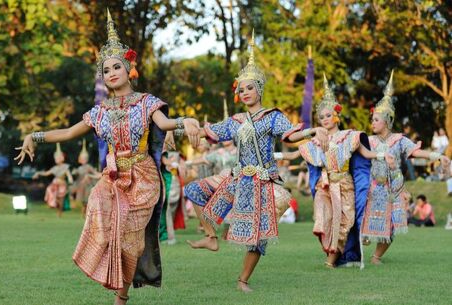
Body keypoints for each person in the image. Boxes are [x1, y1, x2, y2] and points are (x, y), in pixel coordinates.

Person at [15, 9, 200, 305]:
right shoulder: (99, 111)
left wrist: (186, 121)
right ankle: (106, 263)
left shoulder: (146, 102)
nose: (111, 73)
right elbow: (66, 133)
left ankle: (121, 297)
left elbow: (165, 124)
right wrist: (33, 136)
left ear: (129, 69)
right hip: (112, 177)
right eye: (106, 70)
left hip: (143, 177)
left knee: (134, 245)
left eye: (116, 67)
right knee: (98, 207)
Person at [184, 30, 327, 292]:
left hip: (261, 181)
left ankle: (243, 280)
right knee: (192, 189)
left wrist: (311, 131)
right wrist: (183, 127)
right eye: (241, 89)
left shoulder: (272, 116)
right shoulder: (237, 120)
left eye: (250, 87)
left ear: (259, 88)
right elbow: (211, 131)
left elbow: (290, 134)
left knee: (258, 237)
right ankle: (210, 236)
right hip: (237, 178)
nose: (245, 92)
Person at [297, 74, 391, 268]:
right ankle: (331, 256)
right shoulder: (316, 140)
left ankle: (332, 259)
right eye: (321, 117)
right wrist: (276, 157)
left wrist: (382, 156)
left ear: (337, 115)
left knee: (344, 223)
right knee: (323, 218)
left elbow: (365, 154)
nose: (324, 119)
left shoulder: (349, 136)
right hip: (324, 185)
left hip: (345, 186)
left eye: (328, 115)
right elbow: (294, 149)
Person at [361, 71, 450, 265]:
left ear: (388, 121)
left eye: (376, 119)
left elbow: (417, 153)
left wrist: (438, 156)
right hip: (372, 187)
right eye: (372, 119)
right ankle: (362, 238)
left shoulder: (399, 140)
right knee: (365, 223)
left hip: (394, 188)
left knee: (393, 225)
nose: (372, 123)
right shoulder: (367, 141)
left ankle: (376, 257)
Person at [33, 143, 73, 217]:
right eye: (55, 158)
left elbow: (69, 175)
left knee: (61, 199)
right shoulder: (54, 168)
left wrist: (70, 179)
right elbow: (46, 173)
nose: (56, 159)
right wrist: (38, 173)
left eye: (58, 158)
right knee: (49, 190)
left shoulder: (65, 167)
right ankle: (53, 203)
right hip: (54, 185)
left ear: (62, 158)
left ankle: (60, 212)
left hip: (62, 185)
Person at [71, 139, 99, 218]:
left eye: (85, 158)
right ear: (80, 159)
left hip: (88, 185)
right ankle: (84, 213)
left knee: (87, 200)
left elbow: (94, 173)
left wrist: (97, 174)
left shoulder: (88, 167)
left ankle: (87, 213)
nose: (84, 160)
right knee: (82, 201)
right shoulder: (79, 168)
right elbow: (76, 174)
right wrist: (74, 172)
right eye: (82, 158)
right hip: (81, 185)